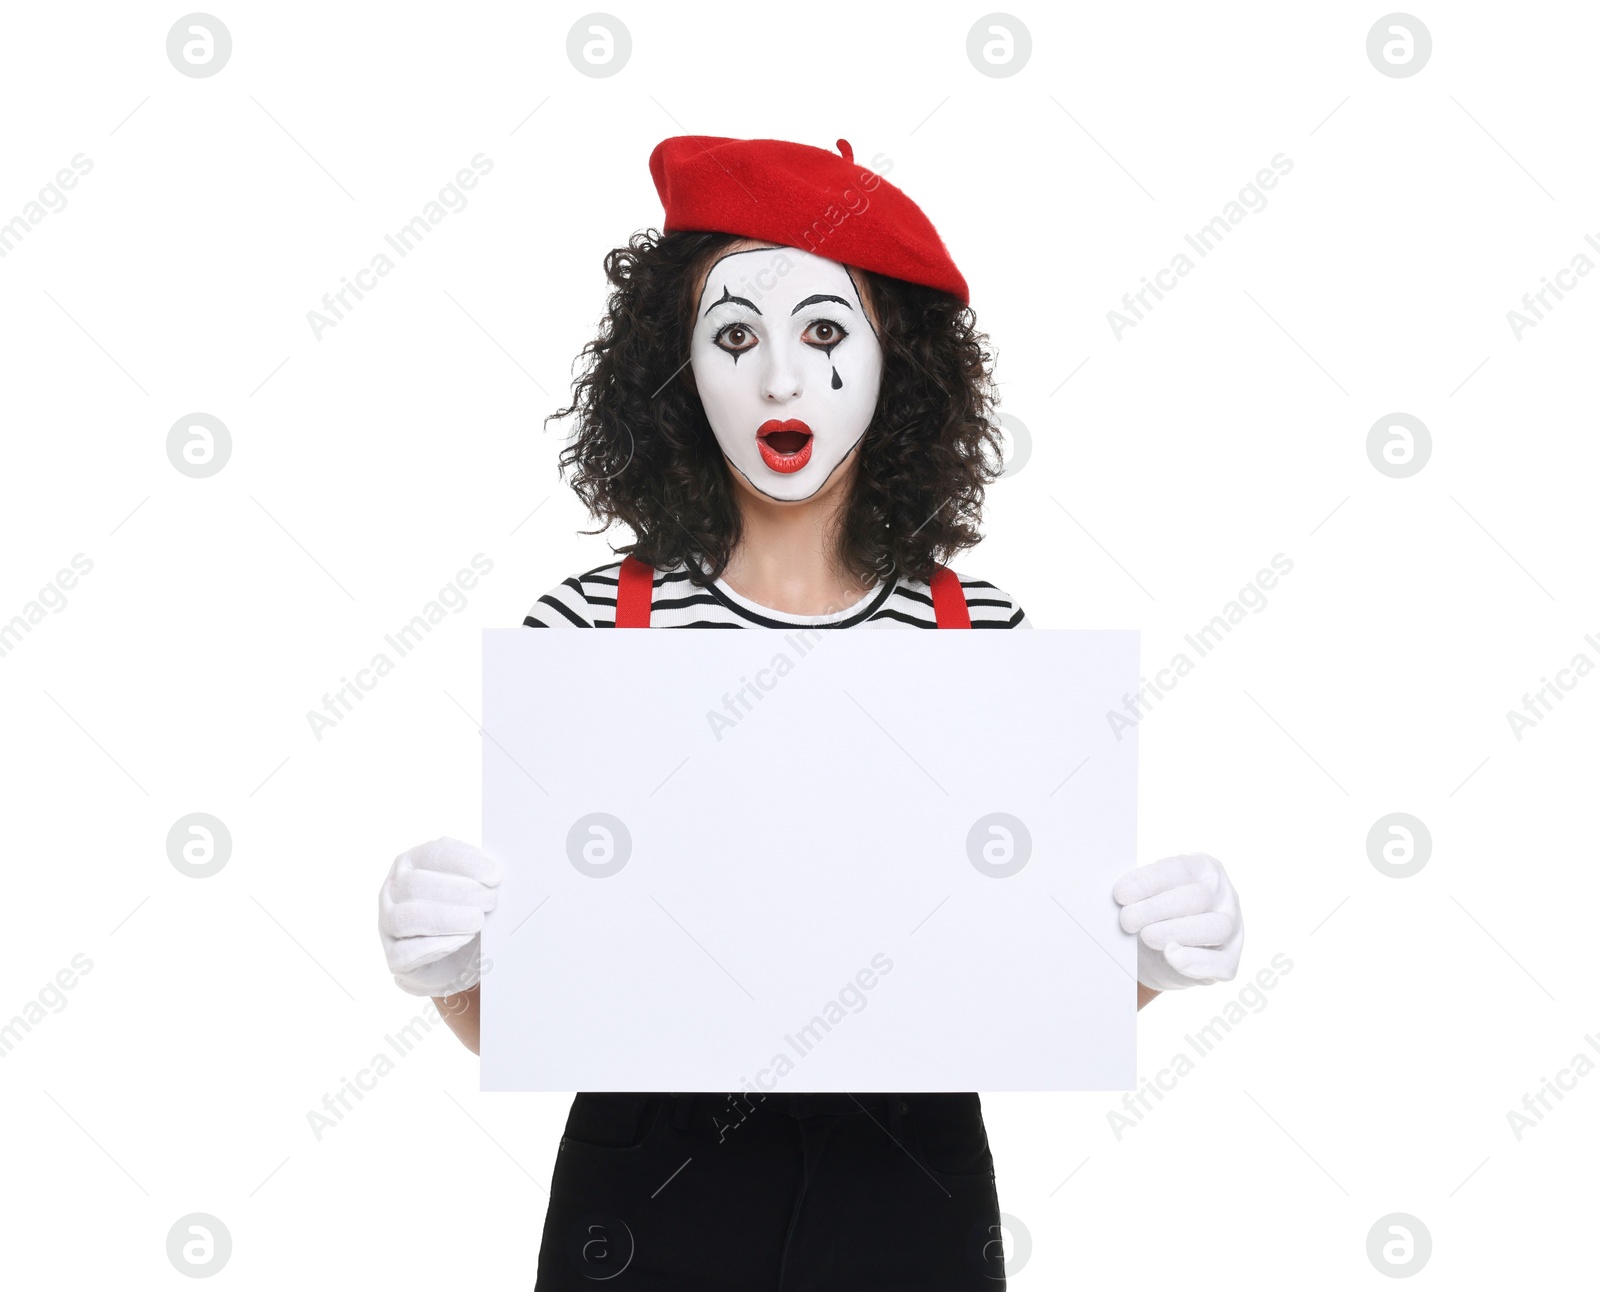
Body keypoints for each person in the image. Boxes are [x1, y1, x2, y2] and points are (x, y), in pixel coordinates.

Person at [377, 136, 1245, 1290]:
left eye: (825, 333)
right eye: (736, 336)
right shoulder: (586, 629)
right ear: (677, 372)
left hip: (908, 1177)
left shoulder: (984, 638)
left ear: (901, 366)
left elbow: (1020, 987)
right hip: (645, 1179)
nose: (781, 380)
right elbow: (531, 1012)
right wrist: (445, 966)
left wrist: (1147, 958)